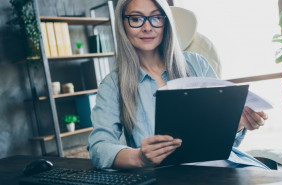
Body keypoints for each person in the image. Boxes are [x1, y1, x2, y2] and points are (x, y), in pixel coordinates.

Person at [87, 0, 269, 169]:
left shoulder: (198, 64)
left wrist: (237, 124)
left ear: (165, 22)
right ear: (122, 24)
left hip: (221, 168)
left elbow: (221, 141)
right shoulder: (112, 85)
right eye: (136, 19)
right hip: (164, 175)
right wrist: (139, 157)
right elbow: (99, 149)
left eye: (156, 17)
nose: (148, 27)